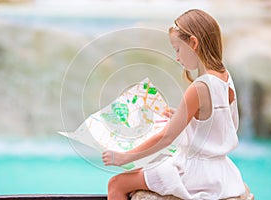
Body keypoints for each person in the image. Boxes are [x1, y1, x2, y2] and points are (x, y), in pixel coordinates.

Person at [102, 9, 245, 200]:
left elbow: (167, 137)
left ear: (193, 43)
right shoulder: (225, 77)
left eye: (177, 49)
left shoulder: (199, 87)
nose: (177, 57)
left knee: (116, 184)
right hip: (220, 171)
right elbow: (219, 120)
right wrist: (186, 116)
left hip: (194, 173)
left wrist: (124, 157)